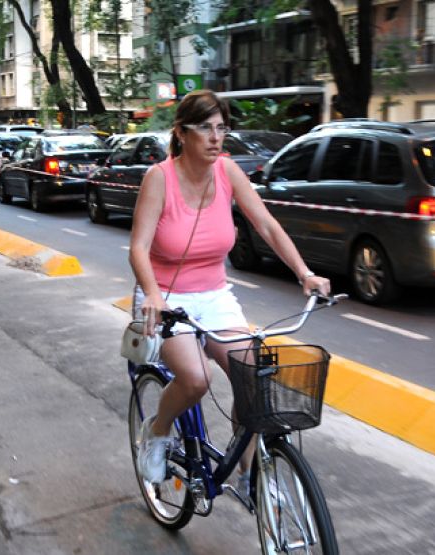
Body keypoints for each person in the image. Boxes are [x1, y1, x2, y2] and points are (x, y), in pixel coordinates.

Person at [128, 90, 330, 488]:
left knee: (253, 374)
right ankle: (157, 432)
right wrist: (151, 293)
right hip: (166, 298)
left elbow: (267, 226)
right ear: (182, 133)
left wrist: (304, 273)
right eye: (205, 127)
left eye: (221, 127)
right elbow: (137, 247)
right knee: (195, 378)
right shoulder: (159, 178)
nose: (215, 137)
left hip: (214, 295)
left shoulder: (227, 171)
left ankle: (247, 470)